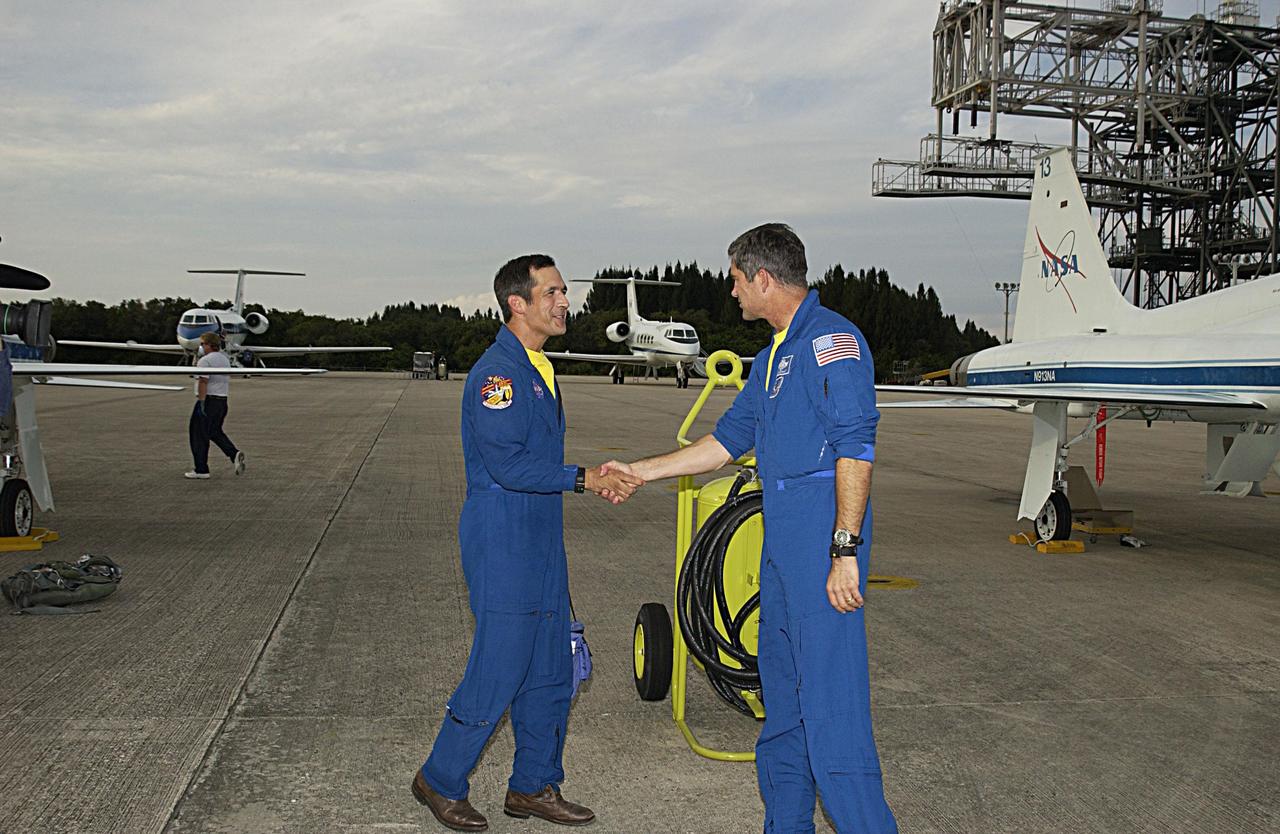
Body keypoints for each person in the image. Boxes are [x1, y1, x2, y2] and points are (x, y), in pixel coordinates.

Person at [603, 224, 898, 833]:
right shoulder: (771, 359)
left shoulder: (832, 342)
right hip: (782, 553)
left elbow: (856, 448)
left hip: (822, 545)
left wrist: (845, 549)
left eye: (736, 279)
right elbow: (723, 444)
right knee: (784, 713)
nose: (731, 291)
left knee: (833, 720)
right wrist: (640, 470)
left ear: (764, 278)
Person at [413, 254, 643, 832]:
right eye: (553, 292)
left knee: (549, 667)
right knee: (500, 665)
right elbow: (508, 464)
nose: (565, 301)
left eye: (564, 291)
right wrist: (583, 477)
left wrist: (580, 480)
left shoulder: (538, 366)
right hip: (504, 533)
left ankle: (533, 786)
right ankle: (439, 779)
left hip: (540, 535)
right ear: (518, 302)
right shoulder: (498, 374)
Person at [185, 331, 246, 480]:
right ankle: (233, 453)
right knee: (214, 431)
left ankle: (201, 469)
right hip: (222, 401)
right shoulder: (224, 359)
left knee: (198, 434)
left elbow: (203, 381)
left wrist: (201, 402)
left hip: (209, 400)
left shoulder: (205, 361)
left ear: (208, 345)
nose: (201, 347)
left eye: (202, 344)